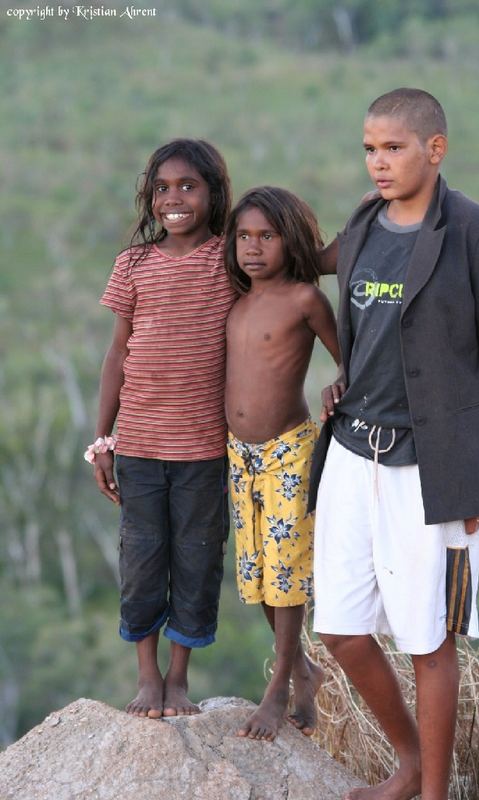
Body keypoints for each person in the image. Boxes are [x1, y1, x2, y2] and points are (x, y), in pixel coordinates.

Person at [309, 88, 479, 799]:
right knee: (342, 631)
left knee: (429, 641)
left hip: (435, 468)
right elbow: (372, 328)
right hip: (351, 453)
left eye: (394, 148)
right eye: (369, 148)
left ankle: (433, 790)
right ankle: (406, 762)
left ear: (435, 150)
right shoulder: (364, 223)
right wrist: (346, 381)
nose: (378, 162)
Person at [85, 139, 236, 719]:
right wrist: (103, 441)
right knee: (143, 558)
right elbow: (117, 353)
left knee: (197, 559)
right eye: (162, 189)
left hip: (204, 450)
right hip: (141, 448)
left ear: (213, 193)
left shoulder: (229, 262)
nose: (173, 199)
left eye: (188, 186)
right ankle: (146, 677)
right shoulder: (135, 263)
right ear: (149, 198)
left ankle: (178, 680)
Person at [224, 186, 341, 741]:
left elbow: (352, 360)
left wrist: (340, 381)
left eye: (266, 236)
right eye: (244, 236)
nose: (253, 247)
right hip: (238, 455)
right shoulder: (235, 299)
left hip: (289, 451)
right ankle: (304, 671)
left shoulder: (304, 301)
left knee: (287, 573)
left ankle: (278, 690)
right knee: (258, 576)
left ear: (289, 240)